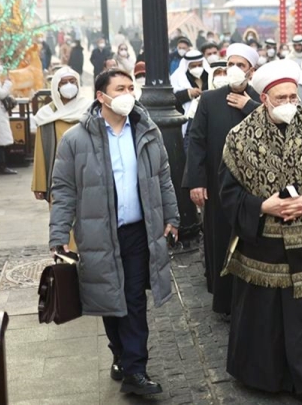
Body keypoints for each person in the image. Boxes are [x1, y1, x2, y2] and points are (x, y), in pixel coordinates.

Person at [49, 68, 179, 395]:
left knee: (133, 299)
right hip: (98, 234)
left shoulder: (146, 131)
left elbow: (162, 176)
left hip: (138, 232)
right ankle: (120, 353)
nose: (128, 94)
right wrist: (59, 234)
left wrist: (171, 216)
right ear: (101, 97)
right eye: (120, 88)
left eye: (131, 88)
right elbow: (63, 189)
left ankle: (136, 369)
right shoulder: (76, 140)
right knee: (109, 299)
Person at [218, 60, 302, 404]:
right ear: (265, 98)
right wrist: (261, 207)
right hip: (262, 245)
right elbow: (227, 192)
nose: (288, 104)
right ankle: (261, 376)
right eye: (281, 97)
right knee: (264, 316)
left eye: (293, 97)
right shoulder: (240, 137)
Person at [183, 44, 261, 317]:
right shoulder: (209, 100)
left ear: (252, 71)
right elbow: (196, 142)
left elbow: (275, 128)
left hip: (253, 189)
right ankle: (225, 303)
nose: (235, 70)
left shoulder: (259, 100)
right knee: (220, 240)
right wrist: (196, 181)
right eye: (231, 64)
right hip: (217, 186)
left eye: (242, 65)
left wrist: (250, 106)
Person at [31, 67, 90, 241]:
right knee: (63, 219)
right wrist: (40, 184)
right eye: (64, 83)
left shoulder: (88, 109)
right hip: (58, 177)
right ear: (56, 87)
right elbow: (41, 151)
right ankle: (67, 260)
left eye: (73, 82)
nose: (69, 86)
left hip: (87, 173)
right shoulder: (47, 115)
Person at [171, 49, 210, 136]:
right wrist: (188, 93)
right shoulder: (178, 78)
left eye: (199, 65)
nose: (197, 68)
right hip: (188, 121)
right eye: (193, 66)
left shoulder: (208, 76)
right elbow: (171, 99)